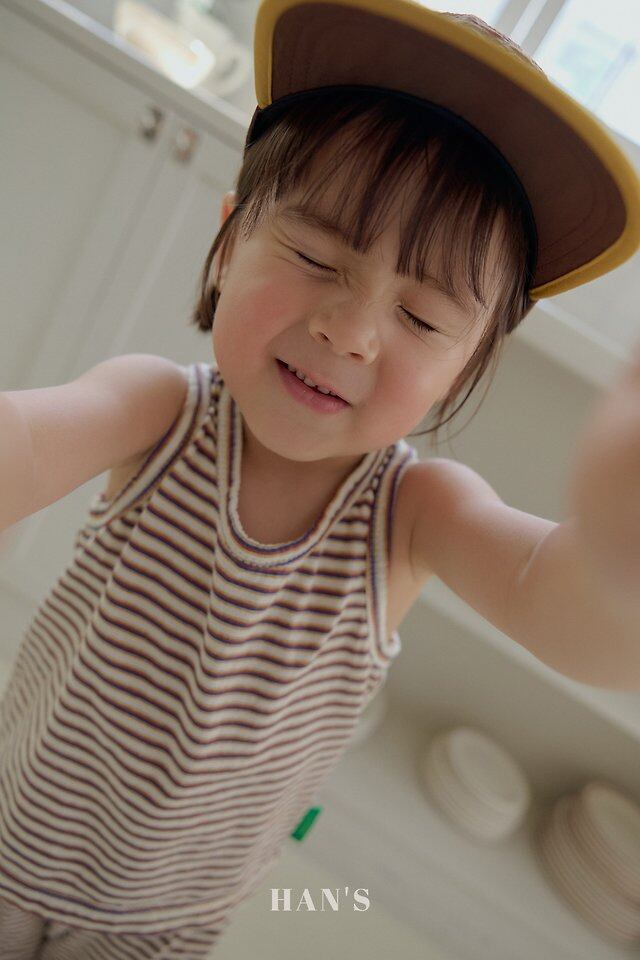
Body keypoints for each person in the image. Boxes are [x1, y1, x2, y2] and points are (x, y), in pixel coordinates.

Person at [1, 1, 640, 957]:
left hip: (164, 923)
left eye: (421, 318)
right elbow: (23, 441)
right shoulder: (158, 409)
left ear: (465, 366)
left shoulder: (415, 515)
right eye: (314, 257)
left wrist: (623, 522)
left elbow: (572, 613)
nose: (350, 330)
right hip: (12, 838)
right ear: (229, 245)